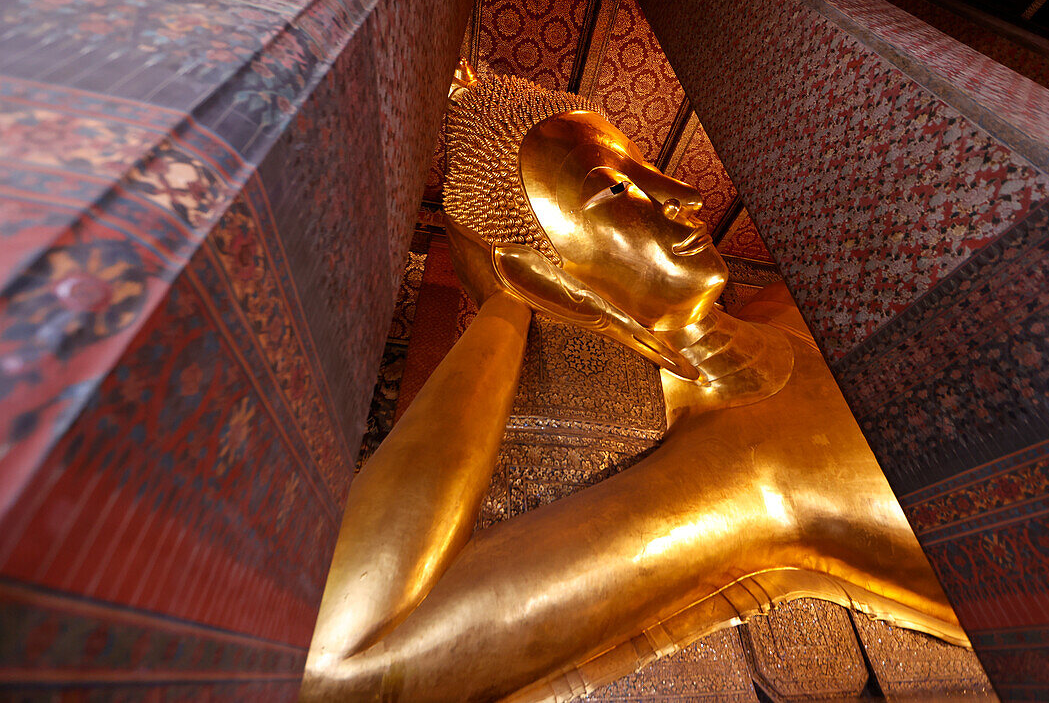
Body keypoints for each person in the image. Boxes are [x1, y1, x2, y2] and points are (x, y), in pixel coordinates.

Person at [299, 72, 967, 702]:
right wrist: (506, 309)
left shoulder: (795, 304)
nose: (683, 194)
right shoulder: (743, 474)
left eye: (645, 167)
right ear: (545, 276)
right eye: (616, 190)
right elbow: (345, 653)